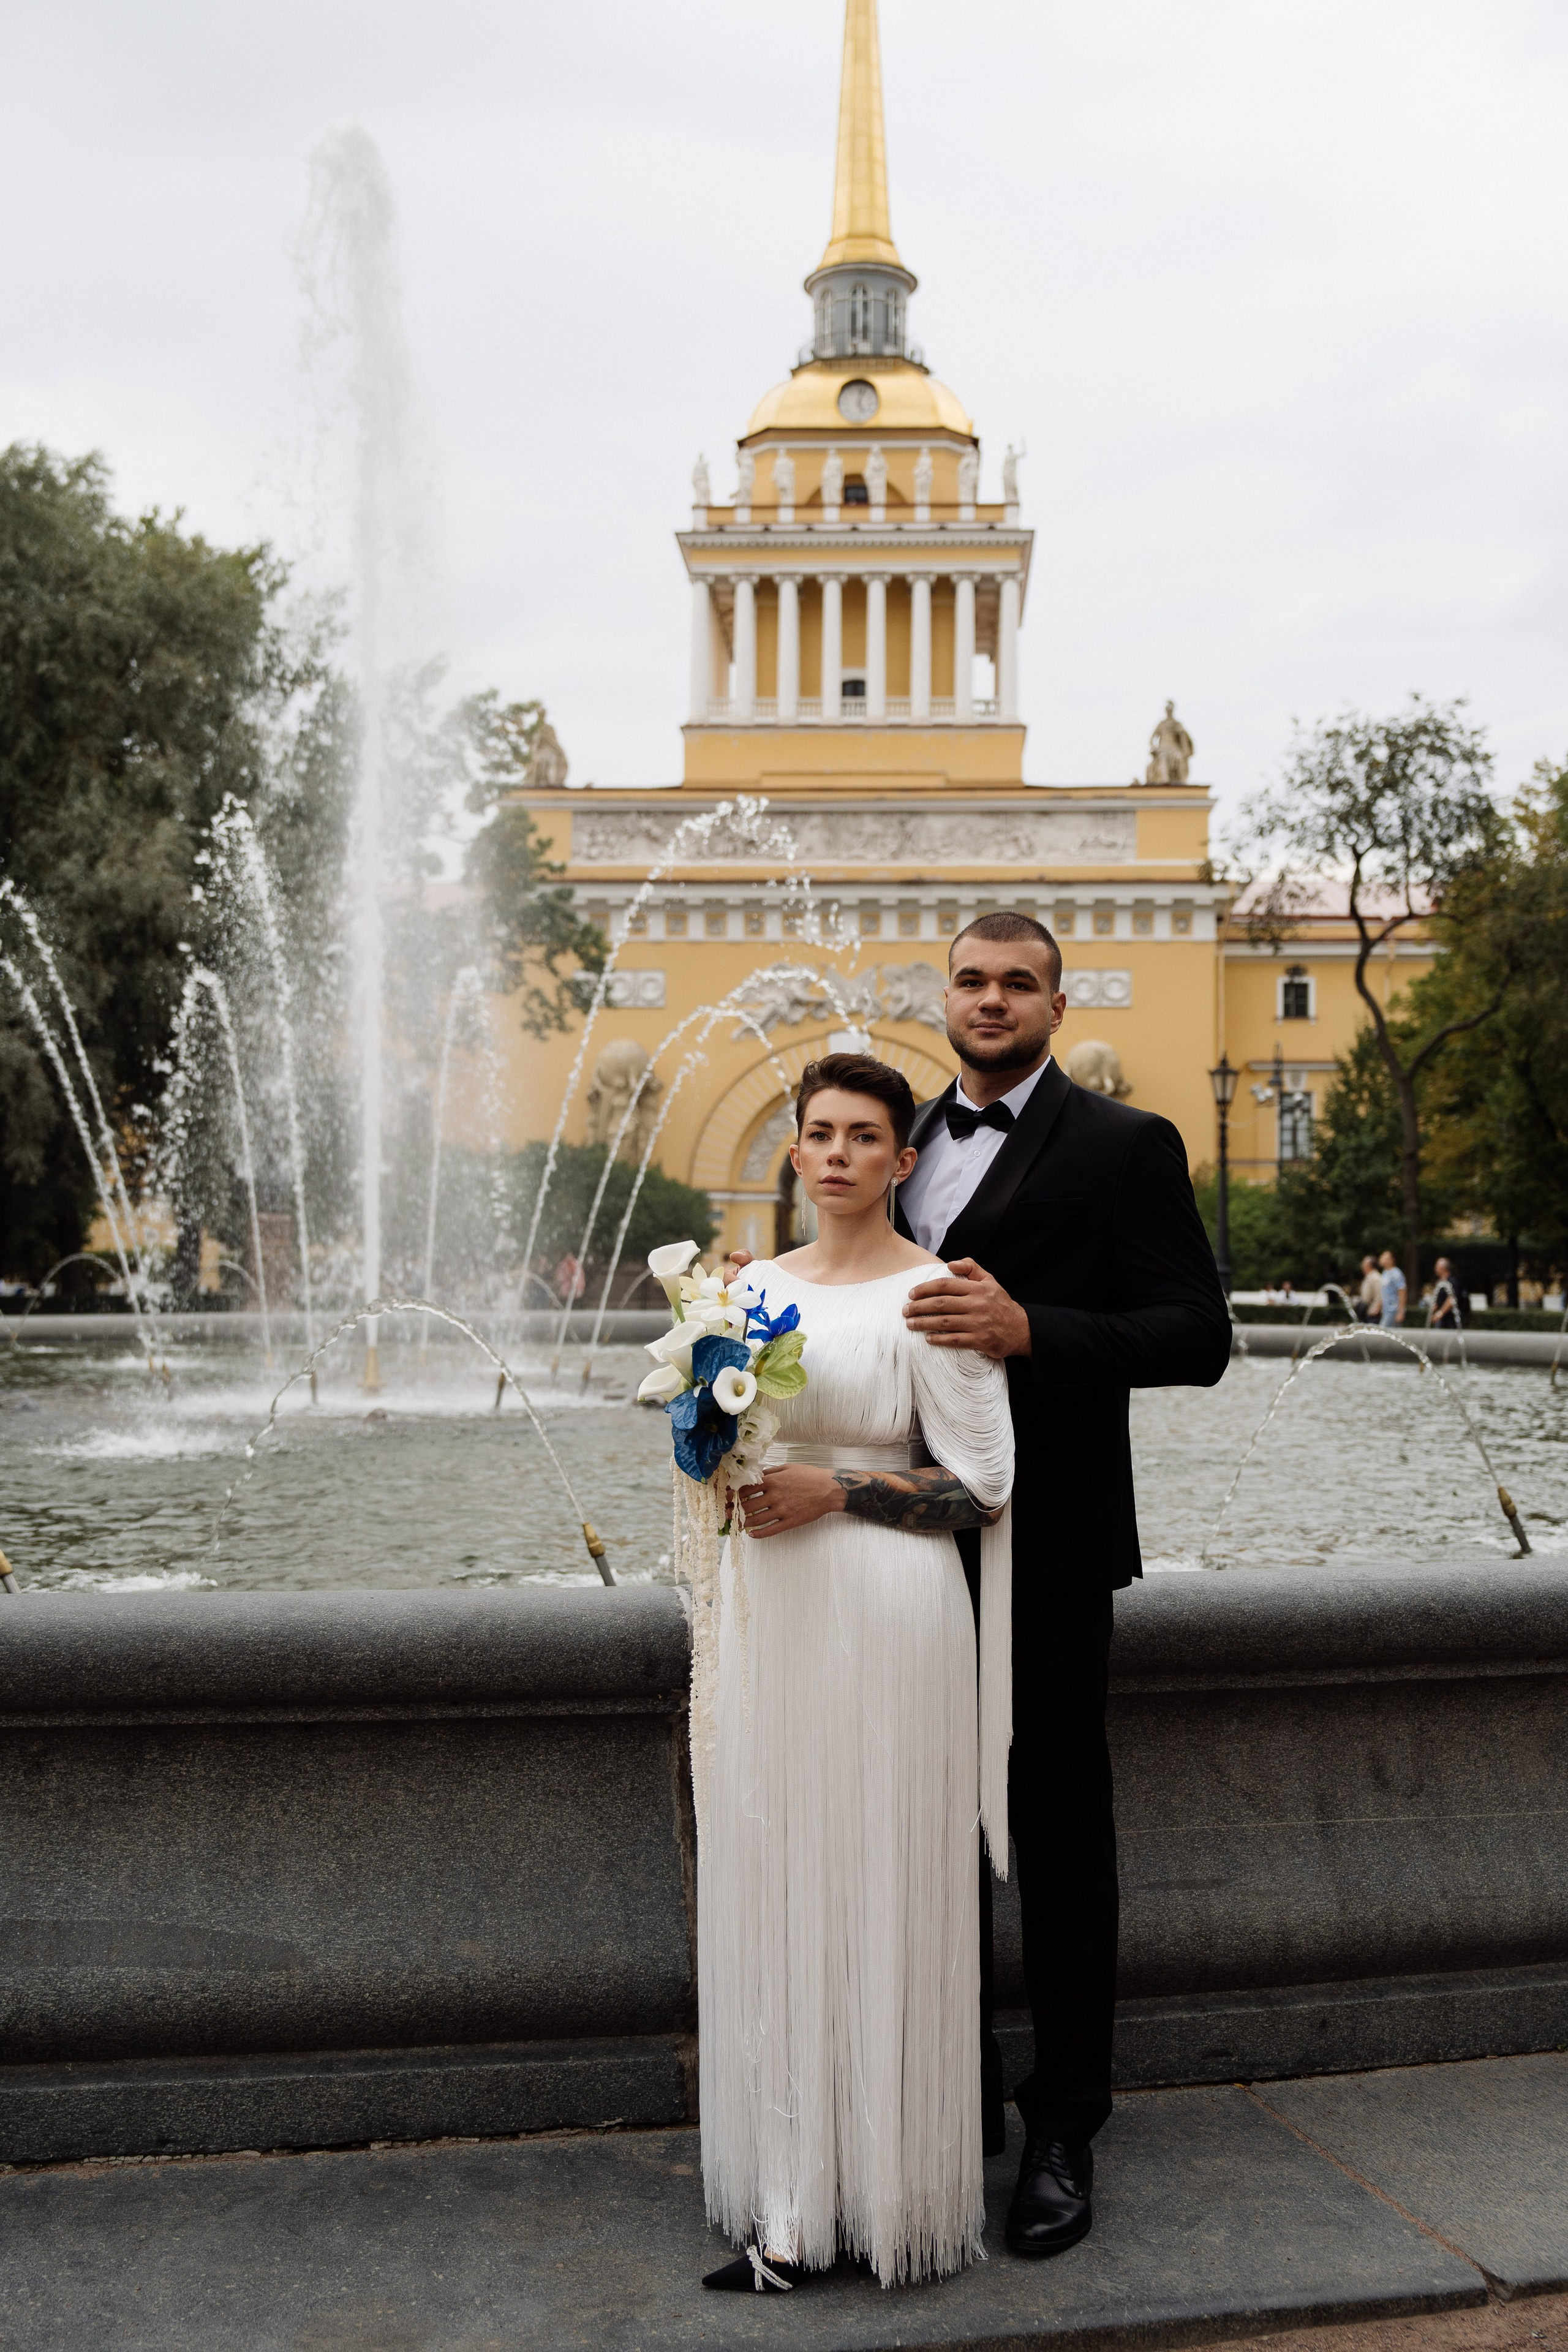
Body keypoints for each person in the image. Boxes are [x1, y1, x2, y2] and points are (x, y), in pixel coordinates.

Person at [892, 911, 1231, 2259]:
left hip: (1050, 1541)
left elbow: (1197, 1336)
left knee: (1058, 1834)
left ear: (1054, 1003)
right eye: (972, 981)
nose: (992, 1000)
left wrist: (1033, 1329)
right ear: (945, 995)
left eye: (1017, 983)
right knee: (919, 1831)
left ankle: (1062, 2126)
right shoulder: (899, 1139)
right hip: (895, 1544)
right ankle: (945, 2098)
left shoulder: (1124, 1144)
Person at [698, 1054, 1015, 2293]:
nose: (838, 1154)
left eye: (864, 1136)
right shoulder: (746, 1290)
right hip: (770, 1604)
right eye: (820, 1133)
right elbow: (719, 1450)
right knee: (778, 1873)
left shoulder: (934, 1295)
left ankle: (892, 2200)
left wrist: (837, 1491)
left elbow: (983, 1487)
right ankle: (789, 2204)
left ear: (901, 1159)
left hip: (891, 1605)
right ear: (794, 1153)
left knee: (884, 1872)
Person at [1378, 1248, 1407, 1329]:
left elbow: (1402, 1292)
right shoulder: (1385, 1273)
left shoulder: (1396, 1274)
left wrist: (1401, 1312)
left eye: (1385, 1257)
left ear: (1391, 1260)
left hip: (1393, 1310)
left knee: (1383, 1331)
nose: (1382, 1258)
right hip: (1386, 1310)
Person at [1430, 1257, 1462, 1330]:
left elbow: (1451, 1300)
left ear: (1443, 1268)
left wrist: (1440, 1314)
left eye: (1437, 1267)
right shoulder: (1440, 1282)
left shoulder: (1452, 1282)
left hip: (1450, 1319)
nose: (1435, 1269)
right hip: (1442, 1319)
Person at [1357, 1256, 1382, 1322]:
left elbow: (1380, 1294)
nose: (1362, 1267)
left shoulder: (1376, 1277)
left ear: (1369, 1265)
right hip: (1367, 1310)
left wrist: (1376, 1309)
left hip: (1373, 1312)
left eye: (1364, 1264)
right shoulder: (1369, 1277)